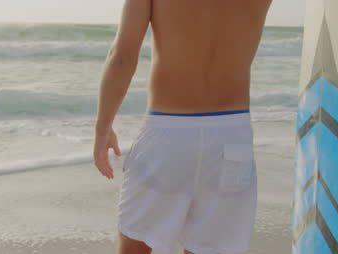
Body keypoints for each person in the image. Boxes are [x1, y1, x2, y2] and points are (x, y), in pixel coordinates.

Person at [93, 0, 273, 253]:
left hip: (167, 137)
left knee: (134, 246)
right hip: (232, 139)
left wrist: (103, 129)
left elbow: (122, 57)